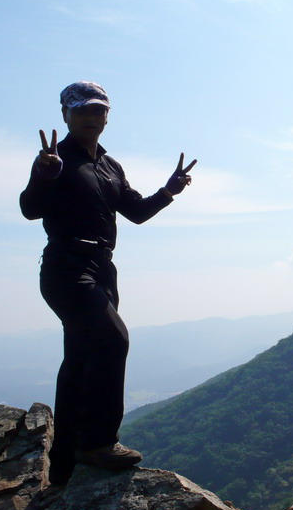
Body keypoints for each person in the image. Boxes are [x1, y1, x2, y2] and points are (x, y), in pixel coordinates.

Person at [20, 81, 196, 486]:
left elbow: (135, 212)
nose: (90, 117)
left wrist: (168, 191)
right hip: (67, 266)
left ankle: (63, 465)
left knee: (81, 360)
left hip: (102, 266)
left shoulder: (109, 165)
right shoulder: (54, 159)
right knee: (112, 340)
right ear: (65, 114)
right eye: (81, 110)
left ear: (107, 116)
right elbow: (30, 209)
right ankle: (99, 441)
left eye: (98, 110)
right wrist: (44, 176)